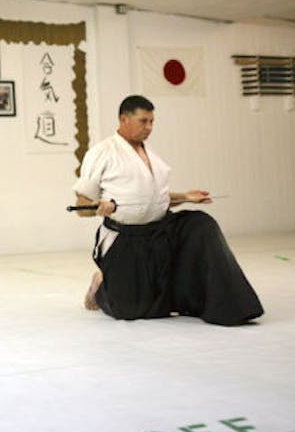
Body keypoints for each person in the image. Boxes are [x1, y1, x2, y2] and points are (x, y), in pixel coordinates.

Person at [73, 95, 263, 326]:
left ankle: (229, 306)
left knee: (202, 225)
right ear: (124, 119)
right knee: (130, 310)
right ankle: (102, 283)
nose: (149, 127)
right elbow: (82, 207)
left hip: (161, 231)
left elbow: (153, 200)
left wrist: (185, 197)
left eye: (152, 121)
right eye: (144, 121)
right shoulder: (102, 152)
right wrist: (98, 208)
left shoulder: (151, 155)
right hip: (126, 239)